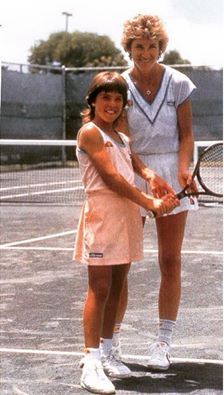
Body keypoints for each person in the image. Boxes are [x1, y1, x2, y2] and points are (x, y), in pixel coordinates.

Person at [73, 71, 179, 394]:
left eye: (118, 99)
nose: (112, 104)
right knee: (100, 288)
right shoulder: (90, 133)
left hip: (126, 218)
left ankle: (107, 351)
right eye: (106, 97)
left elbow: (135, 165)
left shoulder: (121, 137)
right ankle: (90, 362)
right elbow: (112, 179)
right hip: (103, 217)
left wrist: (154, 178)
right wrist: (149, 200)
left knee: (118, 286)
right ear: (93, 100)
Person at [112, 14, 198, 370]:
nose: (145, 53)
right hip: (132, 171)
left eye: (151, 46)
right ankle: (109, 343)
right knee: (120, 263)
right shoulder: (118, 84)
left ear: (160, 48)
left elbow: (186, 133)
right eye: (138, 47)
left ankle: (163, 342)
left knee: (170, 261)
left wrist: (182, 169)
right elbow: (119, 138)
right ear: (128, 48)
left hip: (171, 175)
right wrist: (142, 172)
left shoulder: (178, 82)